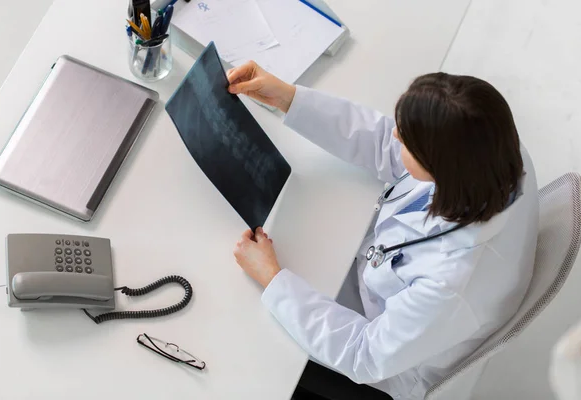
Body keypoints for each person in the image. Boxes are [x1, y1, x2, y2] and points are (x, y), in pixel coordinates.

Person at [229, 62, 539, 400]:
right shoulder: (490, 152)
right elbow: (385, 143)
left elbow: (364, 355)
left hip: (388, 361)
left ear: (440, 166)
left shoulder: (449, 282)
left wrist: (274, 280)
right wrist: (289, 99)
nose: (394, 135)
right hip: (377, 292)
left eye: (407, 141)